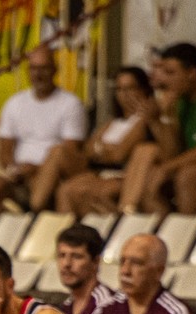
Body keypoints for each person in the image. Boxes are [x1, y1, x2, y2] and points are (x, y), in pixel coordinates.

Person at [0, 46, 86, 214]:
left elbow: (70, 151)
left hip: (55, 173)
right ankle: (0, 232)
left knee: (56, 152)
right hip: (20, 174)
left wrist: (36, 169)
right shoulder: (14, 103)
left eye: (43, 68)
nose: (38, 74)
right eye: (34, 68)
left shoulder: (70, 103)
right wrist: (15, 169)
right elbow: (4, 150)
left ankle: (33, 214)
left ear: (54, 70)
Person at [54, 67, 155, 217]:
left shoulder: (142, 120)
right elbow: (88, 151)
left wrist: (100, 149)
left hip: (123, 175)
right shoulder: (112, 122)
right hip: (100, 172)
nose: (124, 95)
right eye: (119, 89)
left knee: (93, 193)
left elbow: (119, 155)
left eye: (130, 88)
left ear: (143, 90)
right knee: (65, 190)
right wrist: (106, 149)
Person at [130, 43, 196, 216]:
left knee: (187, 176)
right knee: (149, 176)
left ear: (192, 73)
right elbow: (173, 152)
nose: (165, 80)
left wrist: (166, 169)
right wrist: (156, 120)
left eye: (171, 73)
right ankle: (161, 237)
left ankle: (190, 237)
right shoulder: (179, 99)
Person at [54, 224, 115, 314]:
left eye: (76, 256)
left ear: (95, 261)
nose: (66, 264)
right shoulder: (65, 306)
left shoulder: (110, 306)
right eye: (62, 255)